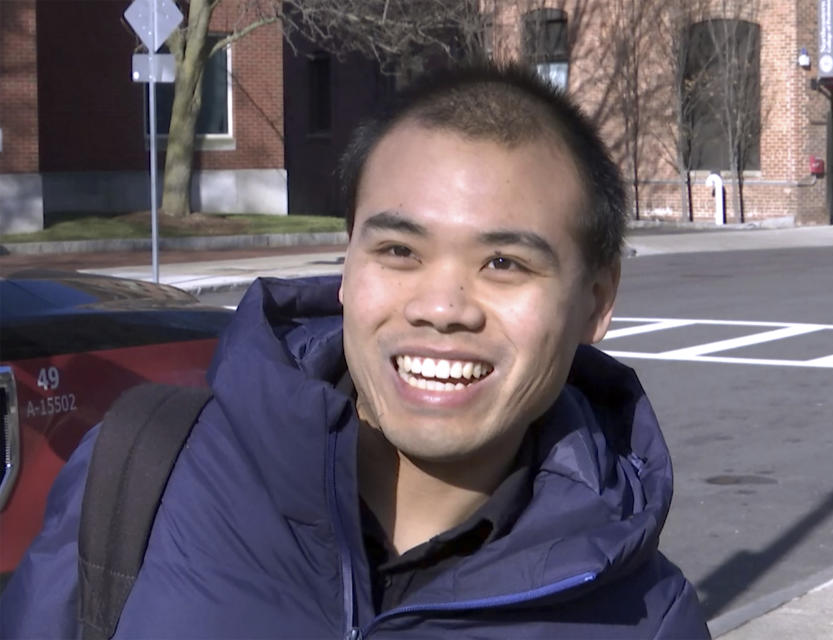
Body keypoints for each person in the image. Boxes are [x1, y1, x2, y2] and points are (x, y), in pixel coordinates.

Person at [1, 64, 710, 638]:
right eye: (399, 250)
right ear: (346, 269)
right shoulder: (138, 471)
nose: (441, 307)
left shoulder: (644, 618)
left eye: (504, 264)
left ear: (596, 301)